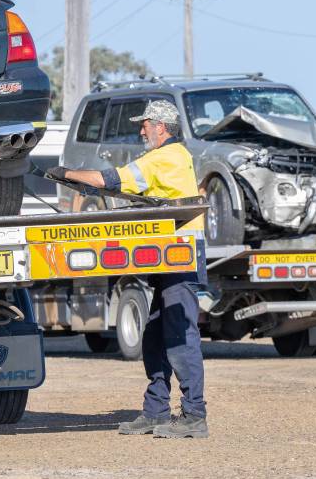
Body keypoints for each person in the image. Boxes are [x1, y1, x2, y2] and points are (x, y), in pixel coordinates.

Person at [47, 99, 209, 439]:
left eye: (145, 124)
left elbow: (113, 179)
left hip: (179, 259)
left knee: (179, 337)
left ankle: (194, 416)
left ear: (161, 128)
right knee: (154, 335)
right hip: (171, 259)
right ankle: (156, 412)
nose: (141, 130)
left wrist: (67, 173)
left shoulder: (164, 157)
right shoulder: (172, 157)